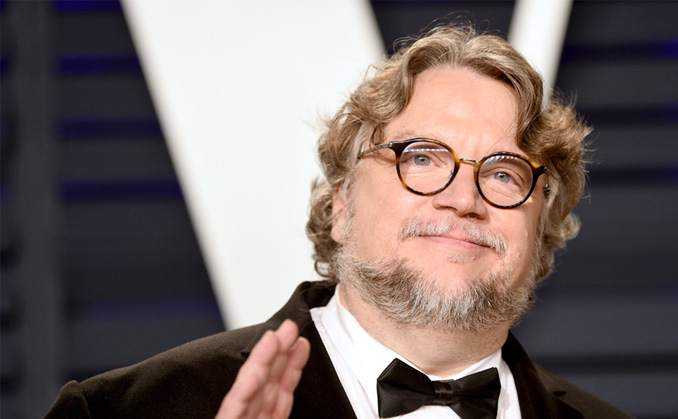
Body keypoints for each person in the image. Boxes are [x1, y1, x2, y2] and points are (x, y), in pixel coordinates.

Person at [45, 24, 631, 419]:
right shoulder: (119, 412)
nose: (462, 198)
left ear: (541, 226)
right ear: (342, 204)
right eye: (421, 158)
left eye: (503, 173)